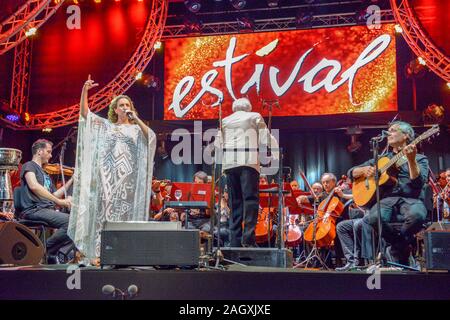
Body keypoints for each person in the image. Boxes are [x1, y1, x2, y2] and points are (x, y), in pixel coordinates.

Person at [68, 75, 157, 262]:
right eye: (122, 105)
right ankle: (100, 253)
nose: (125, 108)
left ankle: (123, 253)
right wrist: (85, 90)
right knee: (103, 215)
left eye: (128, 105)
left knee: (124, 217)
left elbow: (151, 138)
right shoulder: (106, 126)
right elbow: (86, 114)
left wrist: (136, 119)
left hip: (127, 181)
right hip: (107, 178)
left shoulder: (136, 129)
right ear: (115, 110)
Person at [350, 121, 429, 265]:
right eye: (388, 130)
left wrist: (411, 161)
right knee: (373, 218)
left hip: (411, 199)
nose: (388, 133)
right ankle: (401, 245)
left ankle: (396, 246)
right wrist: (363, 170)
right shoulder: (381, 158)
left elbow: (418, 183)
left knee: (417, 216)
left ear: (406, 136)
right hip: (387, 199)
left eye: (393, 130)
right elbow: (351, 172)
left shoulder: (420, 159)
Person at [218, 97, 279, 247]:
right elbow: (265, 137)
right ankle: (248, 240)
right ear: (248, 107)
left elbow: (219, 142)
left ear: (234, 107)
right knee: (250, 200)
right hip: (248, 162)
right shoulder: (254, 116)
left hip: (230, 164)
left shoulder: (225, 120)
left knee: (235, 202)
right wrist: (276, 151)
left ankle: (235, 241)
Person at [16, 139, 73, 262]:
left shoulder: (45, 174)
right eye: (48, 151)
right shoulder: (29, 165)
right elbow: (34, 186)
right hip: (33, 210)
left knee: (76, 223)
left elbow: (54, 194)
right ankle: (42, 250)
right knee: (70, 223)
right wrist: (60, 202)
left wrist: (71, 180)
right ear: (39, 152)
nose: (51, 155)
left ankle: (49, 253)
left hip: (44, 209)